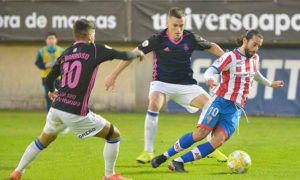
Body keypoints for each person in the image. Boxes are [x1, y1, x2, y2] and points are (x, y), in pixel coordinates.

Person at [9, 19, 143, 180]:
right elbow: (124, 55)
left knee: (42, 141)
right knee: (114, 135)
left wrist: (52, 91)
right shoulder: (94, 50)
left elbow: (49, 78)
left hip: (56, 108)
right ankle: (109, 176)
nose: (94, 36)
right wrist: (138, 53)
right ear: (89, 35)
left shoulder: (65, 53)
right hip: (75, 111)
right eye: (94, 33)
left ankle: (17, 171)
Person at [104, 7, 227, 164]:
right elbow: (135, 52)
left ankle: (211, 148)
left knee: (210, 105)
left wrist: (228, 60)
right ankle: (148, 151)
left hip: (186, 85)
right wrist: (113, 74)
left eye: (181, 25)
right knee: (154, 103)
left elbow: (212, 46)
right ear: (168, 23)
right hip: (161, 83)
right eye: (175, 25)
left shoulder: (191, 38)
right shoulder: (158, 39)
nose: (178, 29)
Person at [150, 29, 284, 172]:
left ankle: (178, 162)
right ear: (245, 40)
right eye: (254, 44)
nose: (256, 48)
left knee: (217, 142)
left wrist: (270, 84)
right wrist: (210, 78)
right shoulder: (230, 57)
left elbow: (254, 73)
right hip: (220, 103)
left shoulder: (254, 58)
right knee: (200, 134)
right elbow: (211, 70)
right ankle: (164, 156)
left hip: (235, 110)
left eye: (258, 46)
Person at [35, 32, 64, 111]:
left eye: (53, 38)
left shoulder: (61, 51)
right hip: (46, 78)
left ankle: (60, 116)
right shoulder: (41, 51)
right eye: (49, 39)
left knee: (60, 98)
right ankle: (50, 115)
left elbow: (66, 63)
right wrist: (45, 65)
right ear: (46, 40)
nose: (51, 40)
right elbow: (37, 63)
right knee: (49, 97)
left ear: (56, 40)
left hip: (59, 78)